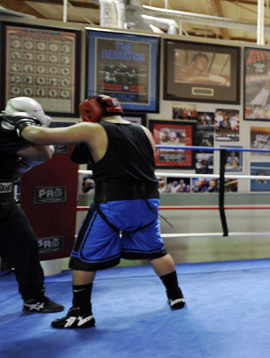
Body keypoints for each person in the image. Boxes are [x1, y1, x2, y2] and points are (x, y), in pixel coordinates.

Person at [15, 94, 185, 329]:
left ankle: (81, 313)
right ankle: (175, 295)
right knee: (155, 250)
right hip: (147, 203)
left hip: (113, 204)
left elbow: (39, 136)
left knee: (82, 258)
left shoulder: (93, 129)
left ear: (89, 112)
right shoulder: (143, 131)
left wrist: (19, 121)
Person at [0, 97, 64, 314]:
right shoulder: (3, 131)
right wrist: (27, 126)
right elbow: (45, 152)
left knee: (26, 247)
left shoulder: (11, 133)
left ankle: (33, 299)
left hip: (5, 201)